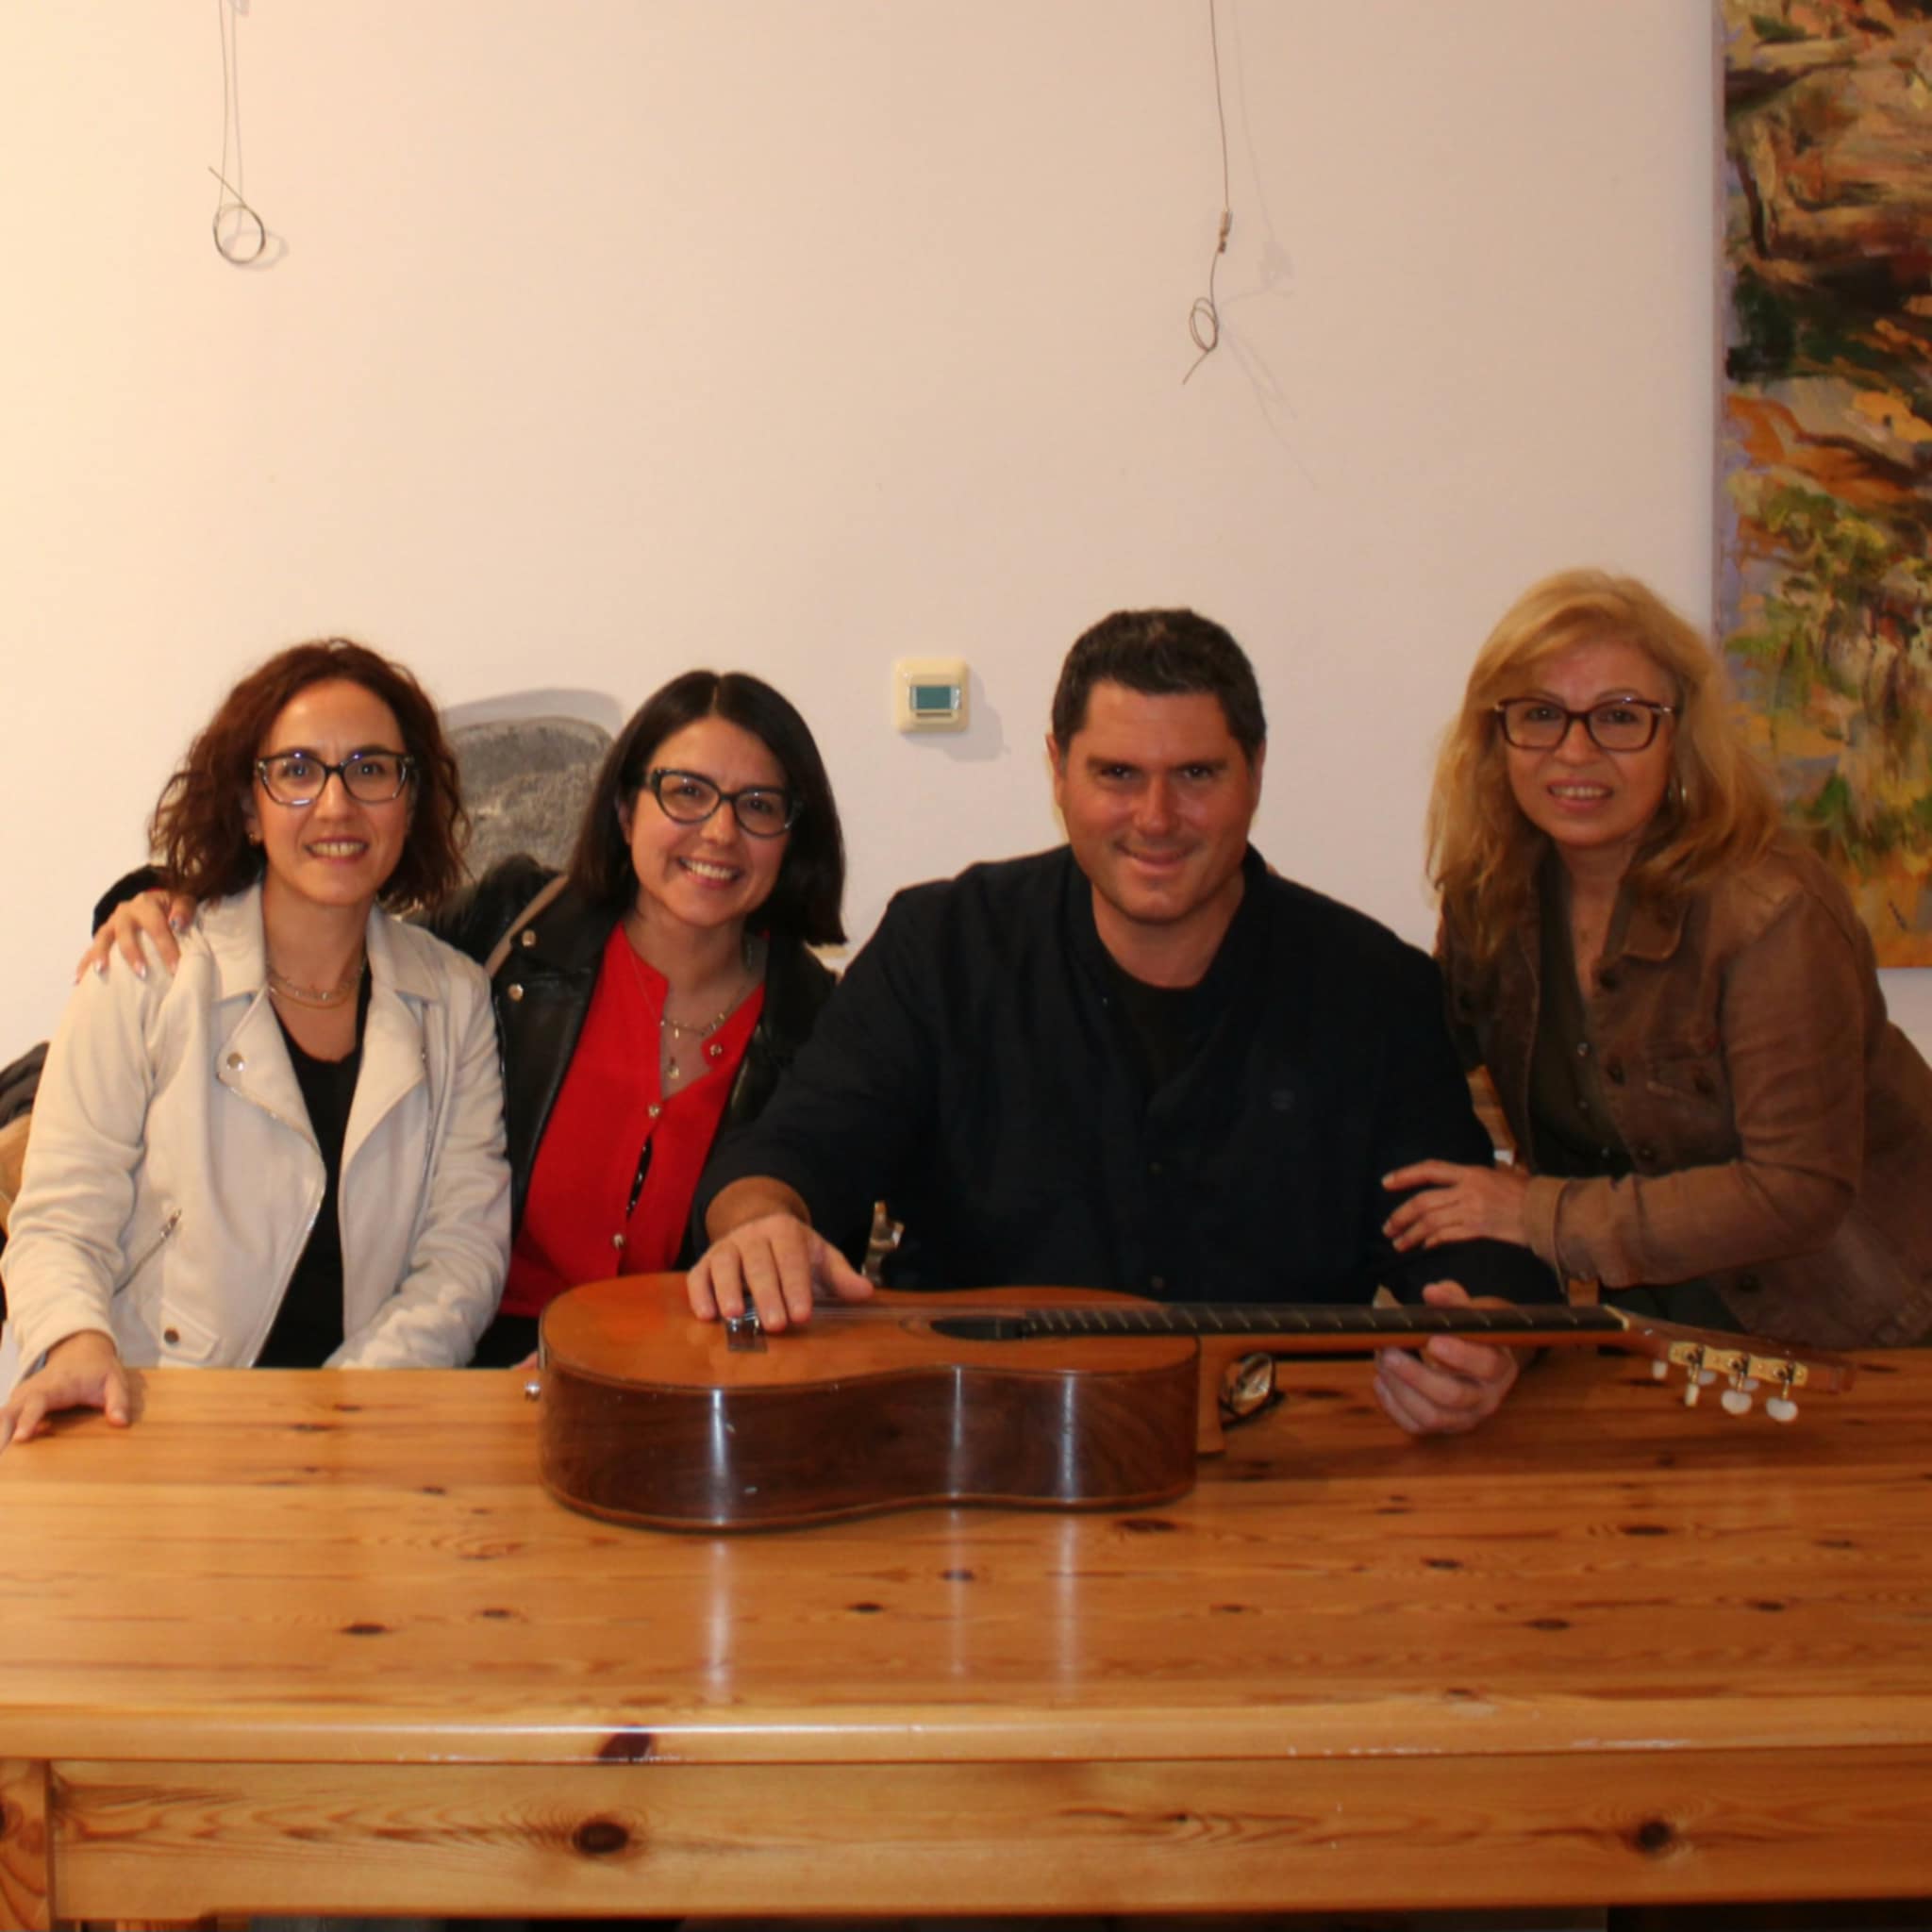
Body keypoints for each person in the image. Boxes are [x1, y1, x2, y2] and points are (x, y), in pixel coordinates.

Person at [690, 608, 1560, 1439]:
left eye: (1197, 775)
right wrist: (761, 1224)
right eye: (1117, 775)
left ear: (1255, 772)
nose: (1156, 818)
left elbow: (1475, 1247)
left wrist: (1487, 1343)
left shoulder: (1375, 989)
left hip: (1284, 1455)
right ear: (1057, 771)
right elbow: (791, 1153)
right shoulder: (942, 948)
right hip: (976, 1439)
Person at [85, 671, 847, 1366]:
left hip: (677, 1391)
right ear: (624, 808)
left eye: (759, 806)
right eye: (685, 792)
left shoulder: (820, 1025)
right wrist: (161, 897)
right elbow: (333, 926)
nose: (719, 832)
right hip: (469, 1375)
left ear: (794, 835)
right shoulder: (518, 928)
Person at [1383, 568, 1932, 1350]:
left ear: (1679, 737)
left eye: (1620, 717)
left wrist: (1538, 1214)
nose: (1575, 751)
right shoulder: (1494, 897)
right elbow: (1409, 1057)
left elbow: (1798, 1189)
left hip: (1875, 1333)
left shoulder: (1772, 912)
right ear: (1495, 738)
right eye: (1540, 714)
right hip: (1662, 1337)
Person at [0, 641, 511, 1452]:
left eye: (371, 770)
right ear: (248, 807)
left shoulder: (454, 999)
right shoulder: (145, 972)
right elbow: (61, 1215)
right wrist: (75, 1343)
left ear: (409, 803)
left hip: (364, 1429)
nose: (337, 805)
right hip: (151, 1413)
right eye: (298, 770)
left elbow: (464, 1251)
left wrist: (339, 1409)